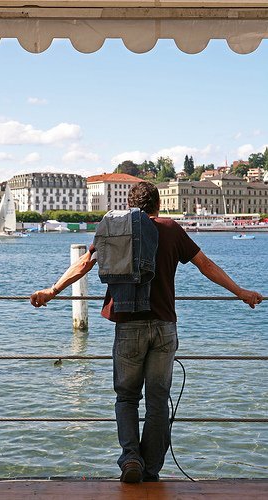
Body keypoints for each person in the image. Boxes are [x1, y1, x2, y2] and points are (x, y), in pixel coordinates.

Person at [30, 181, 262, 483]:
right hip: (164, 326)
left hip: (128, 325)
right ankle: (151, 470)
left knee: (126, 398)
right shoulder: (170, 227)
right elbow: (205, 265)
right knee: (157, 400)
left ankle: (130, 460)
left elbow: (85, 264)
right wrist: (240, 292)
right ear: (158, 205)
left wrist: (52, 290)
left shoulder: (116, 228)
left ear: (130, 204)